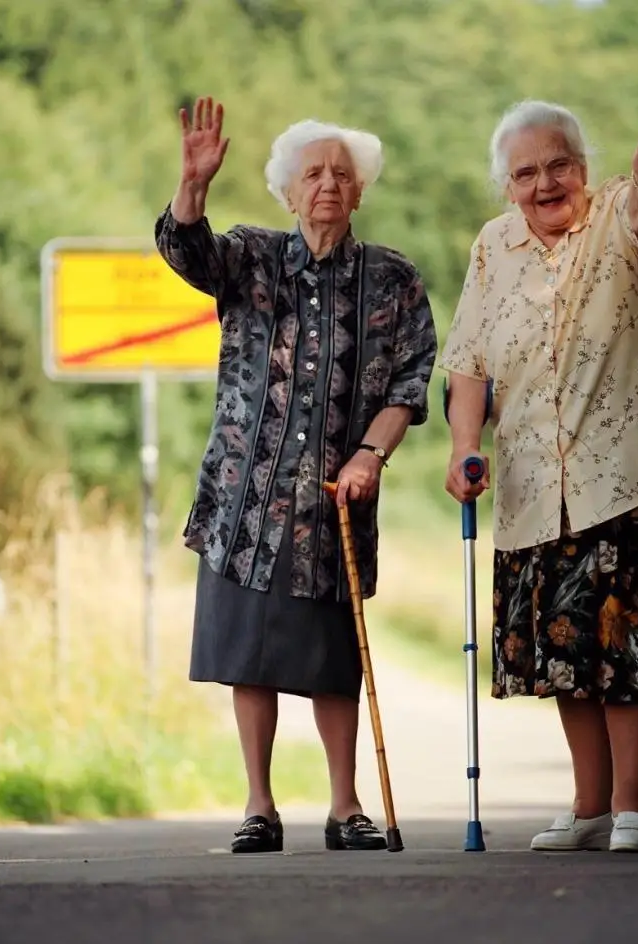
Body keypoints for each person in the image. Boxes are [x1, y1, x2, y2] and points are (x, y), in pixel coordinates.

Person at [154, 97, 437, 853]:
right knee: (251, 652)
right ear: (287, 190)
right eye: (312, 173)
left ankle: (347, 807)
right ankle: (259, 804)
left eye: (343, 174)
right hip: (244, 499)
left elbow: (412, 379)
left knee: (331, 660)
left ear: (361, 189)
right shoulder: (249, 255)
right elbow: (186, 252)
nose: (328, 185)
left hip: (334, 499)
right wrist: (193, 186)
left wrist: (371, 455)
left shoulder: (392, 278)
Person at [441, 99, 638, 854]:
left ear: (584, 168)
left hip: (632, 471)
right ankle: (590, 802)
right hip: (536, 478)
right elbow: (467, 360)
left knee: (625, 640)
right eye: (526, 172)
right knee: (567, 642)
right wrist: (465, 445)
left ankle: (636, 801)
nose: (544, 183)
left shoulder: (615, 214)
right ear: (507, 185)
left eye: (559, 165)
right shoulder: (493, 247)